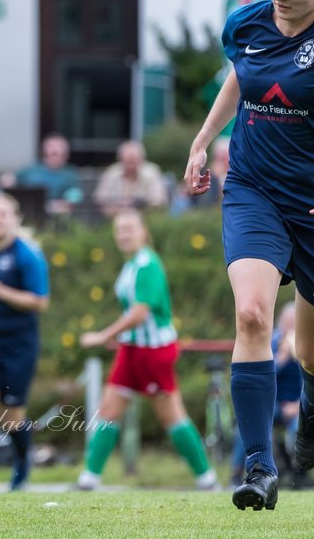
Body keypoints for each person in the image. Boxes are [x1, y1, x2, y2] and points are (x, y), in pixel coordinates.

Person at [185, 0, 314, 511]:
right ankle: (258, 465)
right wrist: (204, 139)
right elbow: (242, 78)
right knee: (252, 312)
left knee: (312, 353)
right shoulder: (246, 23)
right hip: (254, 190)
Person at [75, 209, 219, 492]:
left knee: (171, 416)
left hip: (154, 351)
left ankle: (207, 479)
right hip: (131, 349)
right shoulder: (131, 265)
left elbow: (140, 313)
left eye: (129, 229)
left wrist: (104, 335)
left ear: (143, 231)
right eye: (119, 230)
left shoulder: (148, 265)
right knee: (108, 410)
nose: (123, 235)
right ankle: (89, 478)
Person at [0, 192, 49, 491]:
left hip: (19, 342)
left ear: (15, 219)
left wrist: (0, 291)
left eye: (3, 213)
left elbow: (40, 302)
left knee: (11, 418)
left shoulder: (27, 255)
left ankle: (21, 466)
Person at [230, 302, 301, 486]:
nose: (290, 326)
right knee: (247, 425)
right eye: (287, 322)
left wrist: (299, 404)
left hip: (297, 406)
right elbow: (262, 377)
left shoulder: (306, 346)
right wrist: (283, 356)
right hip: (272, 406)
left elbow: (312, 379)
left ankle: (299, 475)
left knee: (301, 428)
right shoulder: (270, 342)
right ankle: (237, 473)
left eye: (294, 322)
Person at [1, 132, 83, 219]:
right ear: (45, 150)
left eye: (60, 148)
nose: (56, 150)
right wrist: (7, 180)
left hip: (56, 213)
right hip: (29, 210)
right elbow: (11, 178)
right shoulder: (32, 170)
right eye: (52, 148)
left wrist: (63, 204)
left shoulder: (69, 174)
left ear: (66, 153)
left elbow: (75, 196)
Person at [93, 140, 167, 217]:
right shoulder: (112, 172)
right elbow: (100, 198)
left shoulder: (152, 172)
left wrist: (136, 204)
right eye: (128, 161)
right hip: (115, 218)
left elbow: (158, 200)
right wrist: (118, 205)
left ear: (141, 159)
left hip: (145, 218)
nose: (131, 165)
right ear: (121, 160)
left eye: (134, 161)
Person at [171, 137, 229, 215]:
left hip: (213, 207)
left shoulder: (232, 175)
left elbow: (223, 197)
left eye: (223, 156)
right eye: (219, 156)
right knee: (180, 202)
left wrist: (217, 177)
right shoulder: (206, 169)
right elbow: (185, 187)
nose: (221, 160)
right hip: (195, 202)